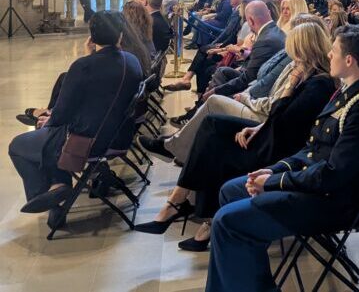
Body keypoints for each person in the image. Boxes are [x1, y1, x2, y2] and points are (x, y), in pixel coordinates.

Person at [205, 25, 359, 292]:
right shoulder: (347, 92)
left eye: (334, 51)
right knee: (231, 190)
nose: (328, 55)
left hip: (332, 201)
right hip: (314, 187)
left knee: (227, 223)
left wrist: (274, 183)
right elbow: (312, 149)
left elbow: (332, 175)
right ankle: (255, 282)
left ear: (349, 60)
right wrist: (274, 171)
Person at [134, 22, 337, 250]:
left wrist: (290, 86)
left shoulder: (317, 83)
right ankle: (185, 203)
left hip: (278, 148)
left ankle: (188, 209)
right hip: (270, 134)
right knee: (212, 127)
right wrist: (259, 127)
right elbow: (281, 118)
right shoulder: (309, 77)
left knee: (216, 145)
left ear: (303, 51)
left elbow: (282, 118)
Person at [8, 11, 143, 225]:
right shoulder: (132, 61)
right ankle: (58, 185)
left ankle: (45, 198)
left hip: (85, 142)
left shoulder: (83, 66)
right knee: (49, 137)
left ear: (91, 36)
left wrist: (48, 121)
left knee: (19, 145)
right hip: (117, 136)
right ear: (120, 35)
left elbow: (61, 114)